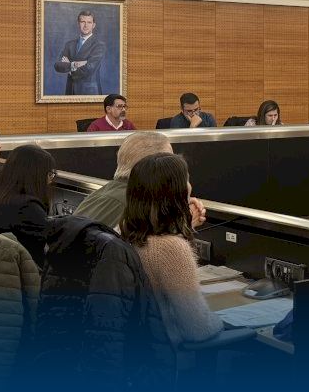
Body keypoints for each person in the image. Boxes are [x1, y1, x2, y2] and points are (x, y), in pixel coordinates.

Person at [122, 152, 223, 344]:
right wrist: (223, 320)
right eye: (187, 180)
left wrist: (183, 224)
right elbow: (198, 329)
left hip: (136, 347)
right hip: (167, 353)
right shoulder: (171, 248)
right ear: (177, 191)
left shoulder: (123, 231)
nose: (190, 186)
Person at [72, 131, 209, 231]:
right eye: (168, 161)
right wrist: (183, 223)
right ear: (151, 166)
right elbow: (151, 253)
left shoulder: (101, 195)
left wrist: (177, 203)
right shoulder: (136, 206)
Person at [0, 144, 55, 268]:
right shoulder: (28, 208)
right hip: (19, 274)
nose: (50, 180)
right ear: (37, 176)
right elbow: (42, 254)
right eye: (49, 174)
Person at [52, 9, 106, 95]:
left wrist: (69, 67)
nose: (86, 25)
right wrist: (74, 65)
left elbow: (89, 69)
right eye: (83, 22)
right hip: (70, 91)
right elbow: (57, 65)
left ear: (93, 25)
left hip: (89, 93)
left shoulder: (99, 45)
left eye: (89, 22)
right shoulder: (69, 44)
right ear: (78, 24)